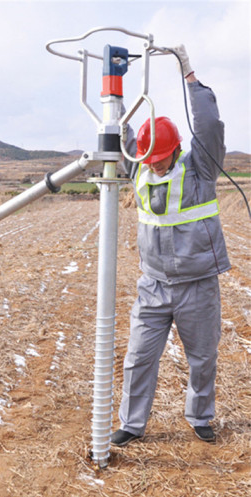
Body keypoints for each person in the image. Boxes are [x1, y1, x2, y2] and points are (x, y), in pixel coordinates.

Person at [111, 45, 230, 447]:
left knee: (202, 359)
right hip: (154, 286)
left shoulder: (201, 168)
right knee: (138, 358)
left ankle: (200, 417)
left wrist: (189, 76)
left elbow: (210, 125)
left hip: (198, 285)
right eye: (150, 159)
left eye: (160, 158)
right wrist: (116, 85)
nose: (155, 164)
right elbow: (121, 132)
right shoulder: (139, 166)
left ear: (176, 150)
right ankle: (132, 423)